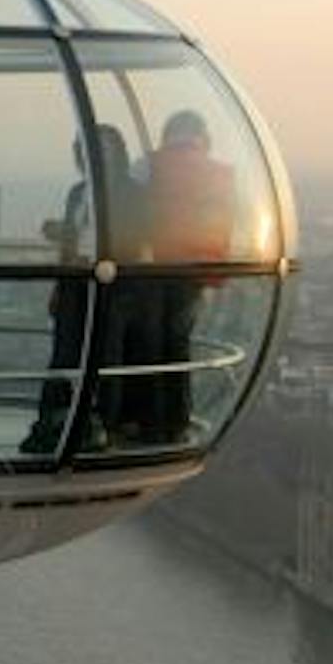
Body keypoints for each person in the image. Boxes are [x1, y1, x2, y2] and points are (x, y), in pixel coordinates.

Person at [23, 125, 136, 455]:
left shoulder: (129, 193)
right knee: (65, 352)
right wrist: (60, 283)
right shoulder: (77, 192)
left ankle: (103, 423)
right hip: (76, 281)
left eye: (104, 149)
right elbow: (74, 240)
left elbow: (134, 238)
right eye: (87, 149)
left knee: (107, 355)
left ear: (118, 154)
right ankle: (52, 422)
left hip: (111, 286)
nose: (95, 156)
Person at [132, 109, 235, 444]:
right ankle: (176, 420)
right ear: (202, 137)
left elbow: (128, 210)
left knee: (150, 345)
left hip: (153, 268)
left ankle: (148, 419)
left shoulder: (150, 165)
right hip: (195, 270)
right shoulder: (220, 173)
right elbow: (223, 224)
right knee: (178, 345)